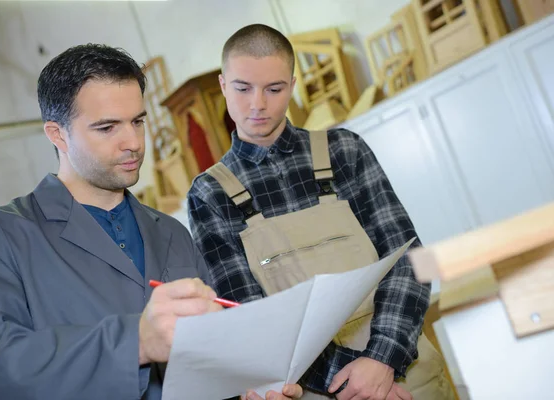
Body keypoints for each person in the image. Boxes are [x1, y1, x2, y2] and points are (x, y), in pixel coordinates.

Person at [0, 44, 302, 400]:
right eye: (107, 128)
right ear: (57, 135)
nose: (133, 143)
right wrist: (135, 343)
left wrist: (249, 388)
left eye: (138, 121)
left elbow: (209, 358)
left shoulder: (171, 233)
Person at [188, 24, 456, 400]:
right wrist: (353, 382)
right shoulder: (210, 193)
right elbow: (249, 317)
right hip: (315, 388)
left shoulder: (345, 151)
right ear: (222, 85)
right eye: (243, 88)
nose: (258, 104)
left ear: (293, 85)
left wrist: (382, 360)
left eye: (274, 89)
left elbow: (411, 259)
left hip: (404, 376)